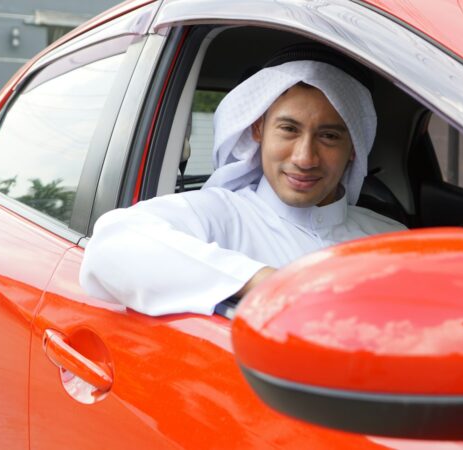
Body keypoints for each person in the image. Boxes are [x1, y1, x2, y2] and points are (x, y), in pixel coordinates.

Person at [79, 47, 407, 316]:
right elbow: (111, 245)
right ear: (257, 131)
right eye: (289, 130)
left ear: (354, 149)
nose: (305, 158)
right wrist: (263, 281)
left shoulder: (394, 241)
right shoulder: (222, 215)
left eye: (330, 136)